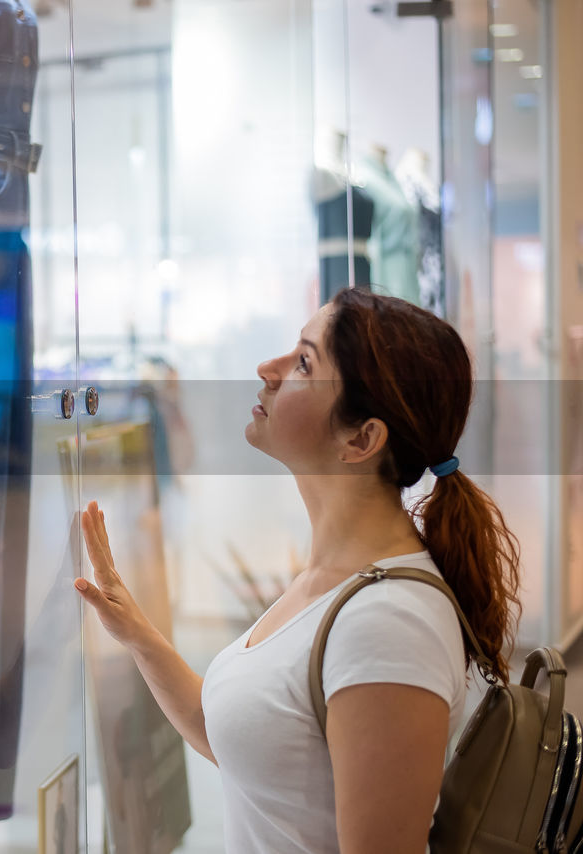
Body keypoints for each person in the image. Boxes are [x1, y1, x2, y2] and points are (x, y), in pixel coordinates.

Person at [74, 287, 521, 853]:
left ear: (361, 439)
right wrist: (136, 633)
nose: (269, 368)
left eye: (305, 362)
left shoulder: (389, 622)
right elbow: (241, 739)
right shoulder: (336, 580)